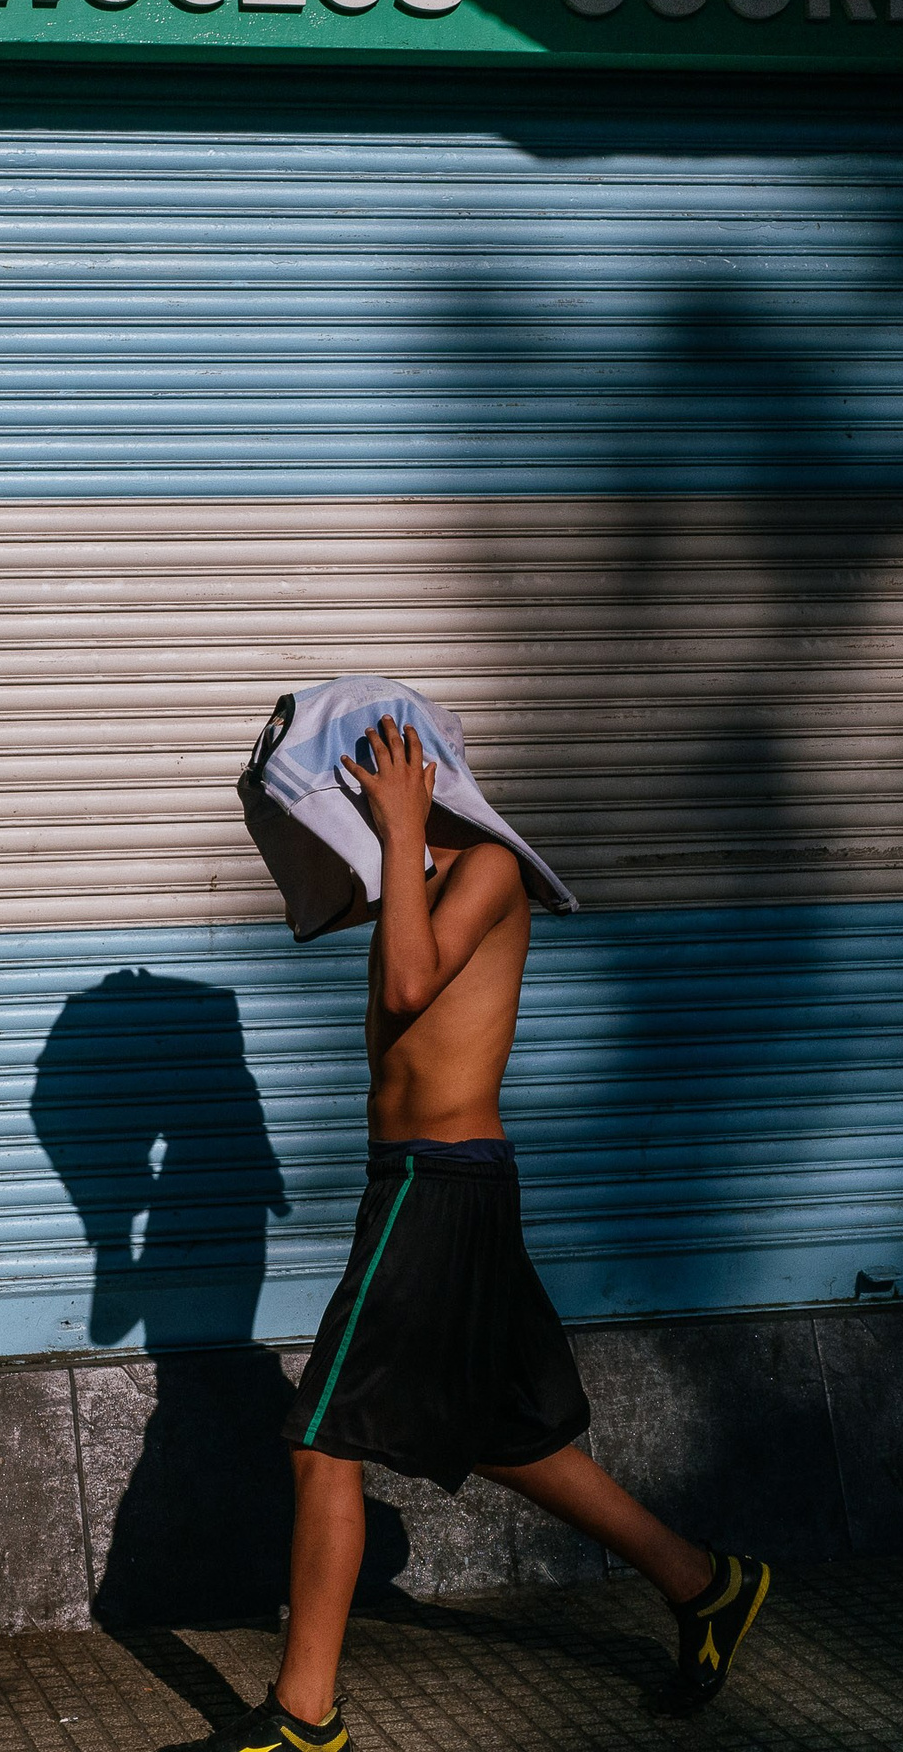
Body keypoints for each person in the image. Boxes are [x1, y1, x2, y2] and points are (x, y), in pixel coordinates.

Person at [173, 715, 770, 1752]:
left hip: (439, 1186)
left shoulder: (486, 867)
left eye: (371, 789)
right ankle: (705, 1583)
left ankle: (303, 1721)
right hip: (424, 1184)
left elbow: (412, 988)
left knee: (321, 1446)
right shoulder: (414, 886)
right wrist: (390, 850)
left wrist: (404, 827)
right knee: (505, 1436)